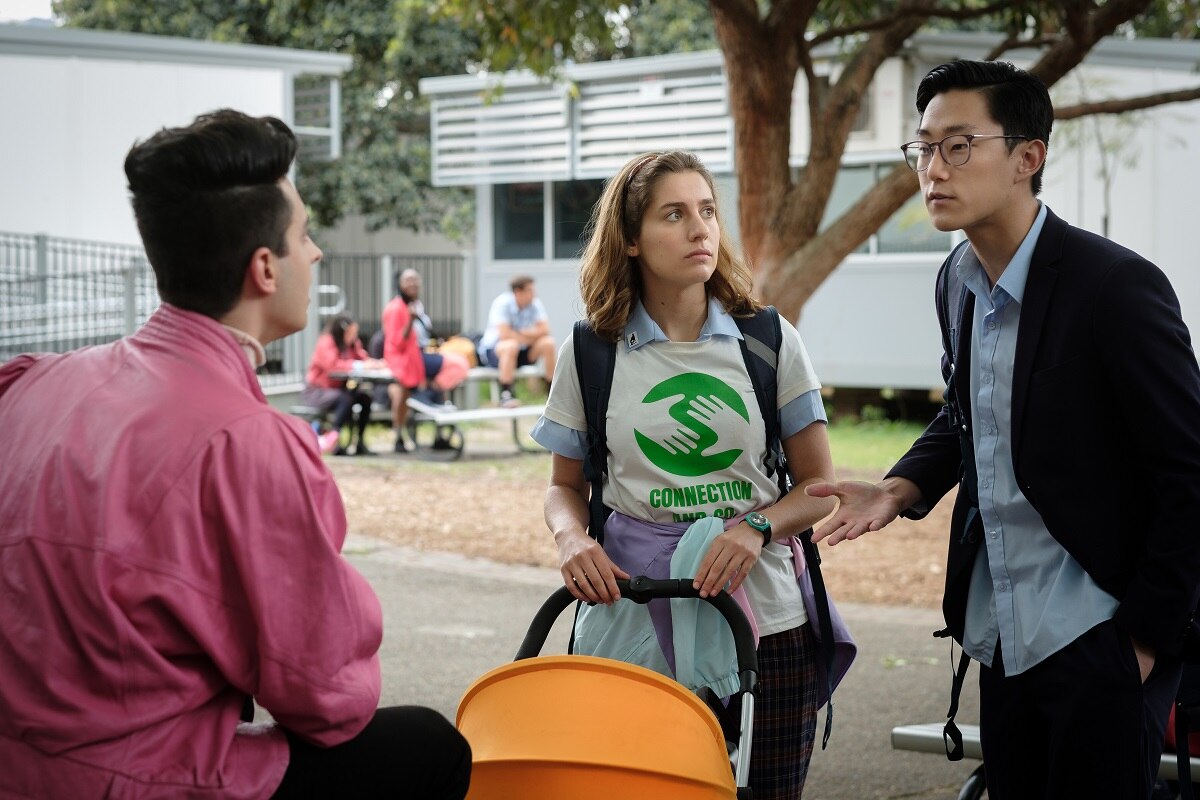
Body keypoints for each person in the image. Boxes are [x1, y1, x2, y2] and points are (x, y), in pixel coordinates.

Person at [0, 109, 470, 799]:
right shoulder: (247, 439)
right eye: (303, 235)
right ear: (263, 268)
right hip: (130, 775)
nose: (313, 253)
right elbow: (327, 698)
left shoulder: (33, 382)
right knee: (428, 746)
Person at [807, 60, 1200, 799]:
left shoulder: (1115, 288)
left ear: (1028, 157)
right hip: (1002, 637)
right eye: (923, 148)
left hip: (1101, 633)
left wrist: (1145, 639)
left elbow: (1189, 471)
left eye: (959, 146)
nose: (933, 169)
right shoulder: (957, 278)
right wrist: (899, 486)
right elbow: (971, 411)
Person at [530, 151, 840, 798]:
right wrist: (571, 538)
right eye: (675, 214)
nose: (701, 229)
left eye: (707, 211)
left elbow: (818, 488)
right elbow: (565, 487)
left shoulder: (768, 339)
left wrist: (756, 526)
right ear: (633, 239)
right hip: (632, 613)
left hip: (766, 620)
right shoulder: (591, 351)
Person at [301, 312, 385, 456]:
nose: (354, 336)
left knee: (365, 398)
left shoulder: (351, 344)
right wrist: (358, 366)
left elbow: (362, 357)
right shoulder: (326, 341)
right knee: (345, 399)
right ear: (343, 331)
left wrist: (374, 364)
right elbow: (332, 366)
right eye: (351, 333)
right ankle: (334, 439)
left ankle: (359, 443)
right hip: (318, 391)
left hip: (338, 391)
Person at [477, 274, 556, 408]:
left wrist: (524, 334)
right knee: (510, 346)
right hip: (496, 353)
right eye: (530, 290)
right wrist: (528, 335)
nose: (534, 294)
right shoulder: (502, 303)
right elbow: (504, 335)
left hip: (521, 350)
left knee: (548, 343)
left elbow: (545, 330)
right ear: (518, 292)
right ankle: (506, 395)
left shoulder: (534, 303)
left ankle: (552, 393)